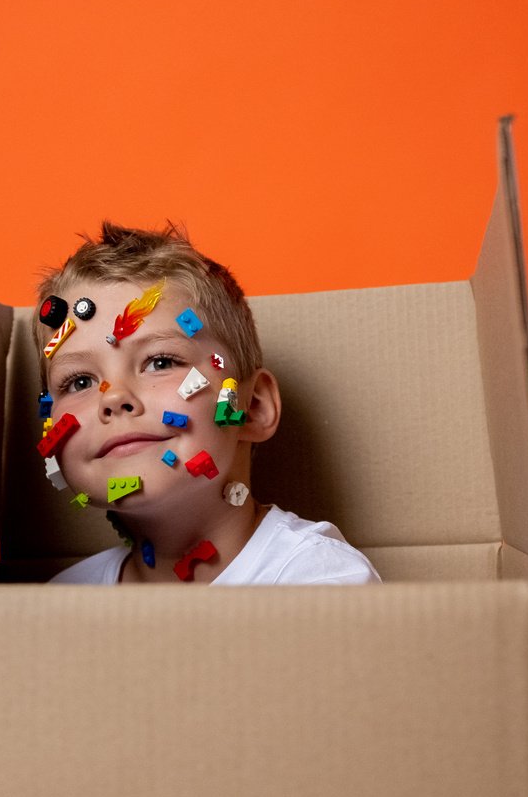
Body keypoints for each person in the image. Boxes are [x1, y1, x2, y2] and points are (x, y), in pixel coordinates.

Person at [34, 222, 380, 586]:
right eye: (79, 382)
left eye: (161, 362)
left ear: (253, 407)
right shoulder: (60, 600)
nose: (114, 397)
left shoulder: (320, 582)